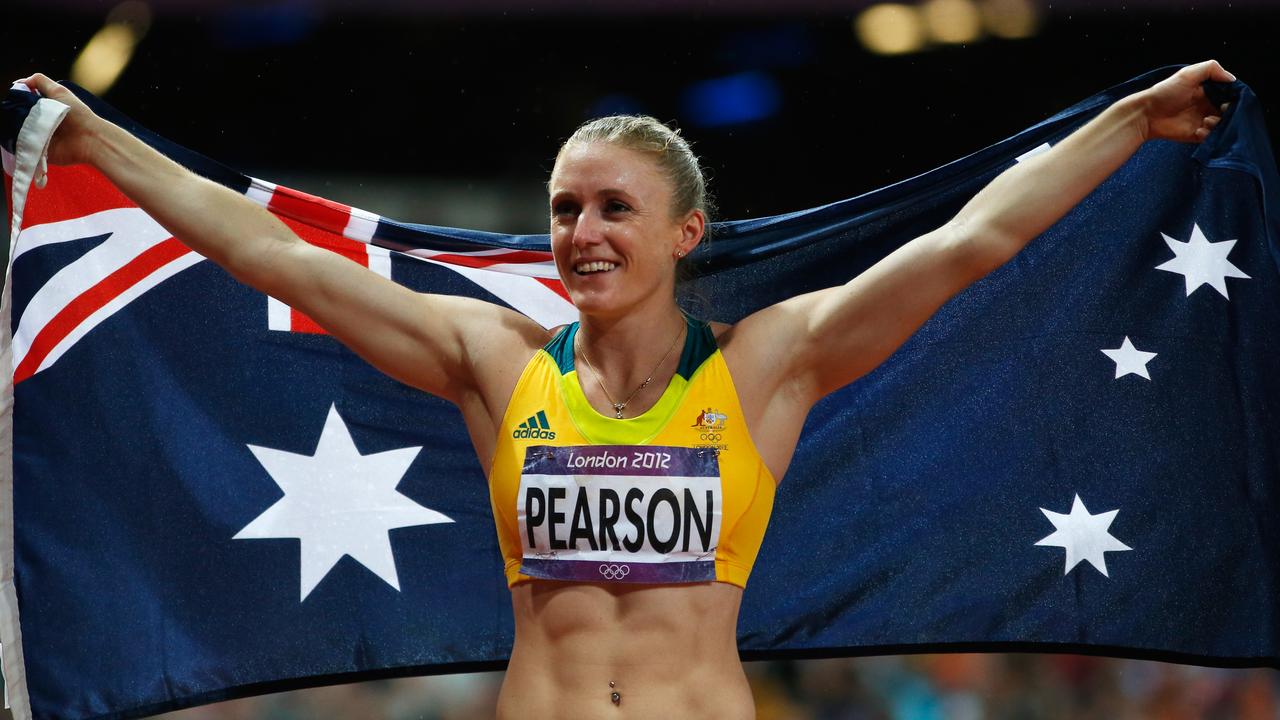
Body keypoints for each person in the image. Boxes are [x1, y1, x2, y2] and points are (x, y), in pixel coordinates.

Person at [17, 59, 1235, 718]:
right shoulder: (490, 362)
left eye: (612, 208)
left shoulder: (770, 362)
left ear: (685, 232)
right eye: (562, 209)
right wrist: (95, 142)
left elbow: (966, 245)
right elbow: (273, 256)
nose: (580, 232)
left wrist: (1127, 122)